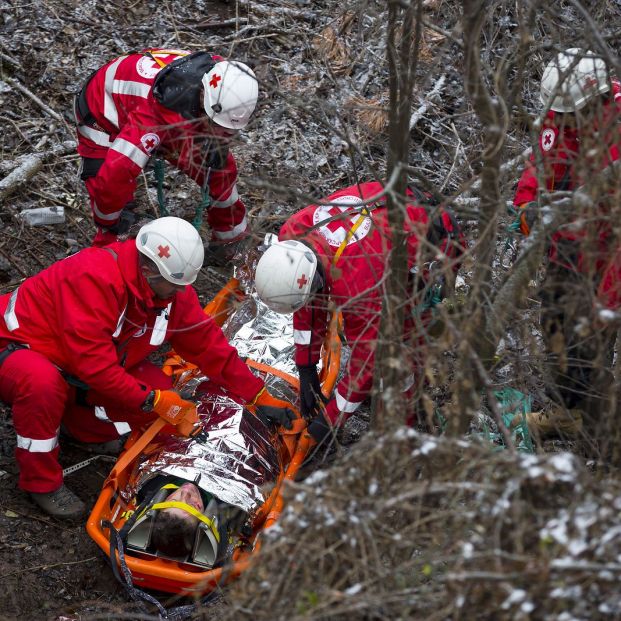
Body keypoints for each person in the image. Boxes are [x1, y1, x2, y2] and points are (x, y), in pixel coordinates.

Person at [0, 217, 294, 519]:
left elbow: (209, 346)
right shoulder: (93, 278)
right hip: (19, 349)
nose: (180, 293)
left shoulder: (168, 292)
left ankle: (80, 427)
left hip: (76, 367)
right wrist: (153, 400)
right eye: (175, 286)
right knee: (42, 385)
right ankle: (41, 482)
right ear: (148, 269)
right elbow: (94, 366)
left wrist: (257, 394)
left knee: (160, 397)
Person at [253, 182, 464, 444]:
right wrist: (306, 364)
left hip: (434, 241)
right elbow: (310, 303)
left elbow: (367, 358)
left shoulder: (358, 287)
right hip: (398, 217)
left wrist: (330, 420)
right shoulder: (294, 234)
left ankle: (403, 427)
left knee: (403, 348)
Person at [511, 48, 621, 438]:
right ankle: (568, 411)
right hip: (567, 243)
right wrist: (526, 207)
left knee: (591, 337)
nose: (562, 119)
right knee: (557, 323)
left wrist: (606, 300)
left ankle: (596, 425)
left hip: (608, 252)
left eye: (571, 114)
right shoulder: (560, 117)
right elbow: (541, 164)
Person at [74, 48, 258, 252]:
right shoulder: (153, 116)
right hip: (103, 113)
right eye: (218, 128)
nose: (221, 136)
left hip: (177, 116)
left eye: (228, 132)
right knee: (115, 208)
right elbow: (116, 172)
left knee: (219, 170)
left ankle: (230, 240)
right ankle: (107, 255)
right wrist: (109, 221)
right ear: (204, 100)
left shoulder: (225, 81)